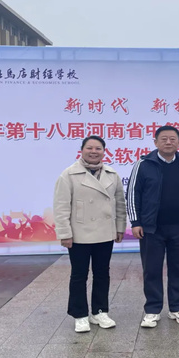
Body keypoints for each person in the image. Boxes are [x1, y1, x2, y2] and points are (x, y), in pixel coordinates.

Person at [127, 125, 179, 328]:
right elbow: (133, 194)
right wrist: (136, 222)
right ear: (155, 142)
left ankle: (177, 308)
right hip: (152, 228)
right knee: (151, 269)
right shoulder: (143, 164)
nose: (168, 142)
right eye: (164, 139)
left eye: (172, 139)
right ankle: (152, 310)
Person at [53, 135, 127, 333]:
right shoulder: (69, 174)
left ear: (104, 151)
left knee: (102, 273)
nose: (94, 152)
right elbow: (61, 207)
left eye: (98, 148)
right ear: (82, 150)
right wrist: (64, 233)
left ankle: (100, 311)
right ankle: (80, 315)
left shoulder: (112, 174)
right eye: (89, 148)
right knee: (79, 275)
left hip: (105, 232)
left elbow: (120, 203)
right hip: (79, 234)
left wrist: (120, 227)